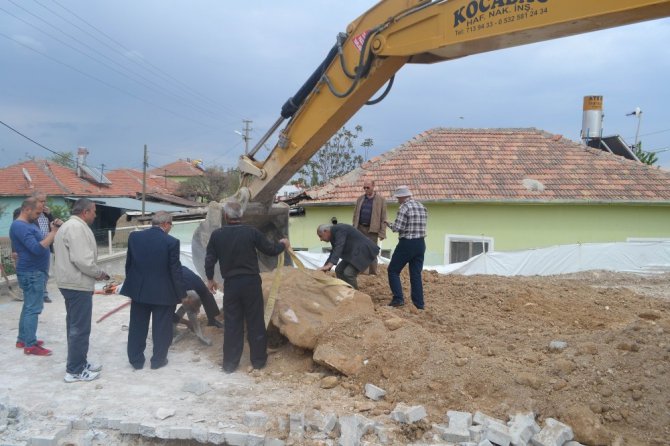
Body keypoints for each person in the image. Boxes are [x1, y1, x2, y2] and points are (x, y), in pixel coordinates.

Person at [205, 201, 289, 374]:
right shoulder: (251, 232)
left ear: (226, 216)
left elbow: (209, 259)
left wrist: (210, 279)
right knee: (255, 322)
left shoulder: (217, 235)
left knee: (232, 323)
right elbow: (270, 250)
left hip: (231, 285)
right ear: (241, 216)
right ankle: (258, 362)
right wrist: (283, 244)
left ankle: (229, 364)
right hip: (251, 283)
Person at [120, 211, 186, 370]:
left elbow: (129, 264)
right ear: (165, 224)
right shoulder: (171, 242)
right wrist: (181, 294)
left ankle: (136, 360)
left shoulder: (135, 237)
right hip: (163, 292)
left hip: (140, 291)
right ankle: (158, 360)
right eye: (171, 224)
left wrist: (133, 286)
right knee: (162, 327)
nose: (171, 228)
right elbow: (175, 271)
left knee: (137, 325)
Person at [53, 198, 110, 382]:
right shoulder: (76, 228)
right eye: (93, 211)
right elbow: (82, 260)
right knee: (79, 329)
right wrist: (98, 273)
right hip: (76, 284)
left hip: (70, 283)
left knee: (74, 326)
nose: (95, 214)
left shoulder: (69, 226)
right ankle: (75, 371)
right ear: (85, 212)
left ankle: (79, 362)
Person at [9, 197, 59, 356]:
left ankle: (23, 339)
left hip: (33, 271)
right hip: (32, 272)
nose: (39, 215)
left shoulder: (28, 224)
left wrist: (51, 231)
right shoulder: (20, 226)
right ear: (26, 209)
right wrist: (54, 232)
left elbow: (41, 241)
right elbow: (37, 249)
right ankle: (30, 345)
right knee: (33, 309)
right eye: (37, 212)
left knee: (28, 306)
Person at [385, 185, 428, 310]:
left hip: (407, 243)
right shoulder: (422, 206)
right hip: (420, 243)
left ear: (402, 196)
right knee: (416, 274)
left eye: (398, 197)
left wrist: (388, 224)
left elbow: (398, 228)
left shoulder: (404, 208)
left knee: (393, 270)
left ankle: (398, 299)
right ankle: (419, 304)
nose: (397, 200)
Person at [316, 223, 380, 290]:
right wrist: (325, 266)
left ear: (326, 231)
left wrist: (330, 264)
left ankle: (355, 294)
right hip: (354, 253)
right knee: (339, 270)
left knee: (348, 273)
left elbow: (339, 246)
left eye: (320, 236)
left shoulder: (339, 229)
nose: (321, 239)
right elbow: (334, 250)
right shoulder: (334, 233)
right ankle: (345, 289)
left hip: (364, 250)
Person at [352, 179, 387, 275]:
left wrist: (382, 232)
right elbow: (355, 215)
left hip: (373, 230)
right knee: (359, 250)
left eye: (368, 187)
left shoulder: (381, 200)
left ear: (373, 186)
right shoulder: (360, 199)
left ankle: (372, 272)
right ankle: (360, 271)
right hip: (360, 228)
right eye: (364, 187)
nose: (366, 189)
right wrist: (354, 228)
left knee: (372, 251)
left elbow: (384, 217)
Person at [32, 193, 58, 303]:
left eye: (44, 201)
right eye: (41, 201)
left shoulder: (46, 214)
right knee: (34, 271)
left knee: (45, 272)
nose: (43, 204)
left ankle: (43, 293)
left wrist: (50, 214)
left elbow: (55, 225)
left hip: (46, 247)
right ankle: (35, 293)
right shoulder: (29, 213)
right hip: (33, 246)